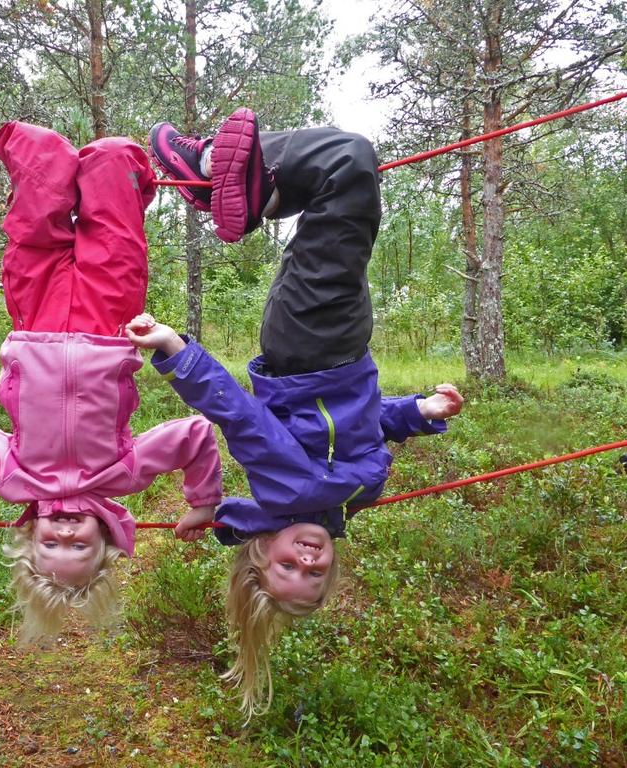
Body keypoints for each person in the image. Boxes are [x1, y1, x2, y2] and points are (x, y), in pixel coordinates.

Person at [129, 108, 464, 715]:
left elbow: (241, 418)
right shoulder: (351, 496)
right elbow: (360, 424)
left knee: (349, 165)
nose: (307, 561)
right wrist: (419, 411)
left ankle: (208, 169)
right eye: (314, 575)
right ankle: (256, 189)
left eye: (289, 566)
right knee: (335, 202)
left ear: (263, 547)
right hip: (336, 346)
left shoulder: (288, 489)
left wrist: (178, 353)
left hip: (311, 345)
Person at [0, 121, 223, 643]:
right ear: (107, 538)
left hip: (34, 319)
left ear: (31, 540)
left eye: (53, 547)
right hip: (110, 320)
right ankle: (116, 172)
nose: (65, 537)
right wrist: (203, 502)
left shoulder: (13, 477)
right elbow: (196, 435)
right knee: (114, 162)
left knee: (36, 185)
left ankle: (44, 161)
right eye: (79, 548)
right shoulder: (121, 475)